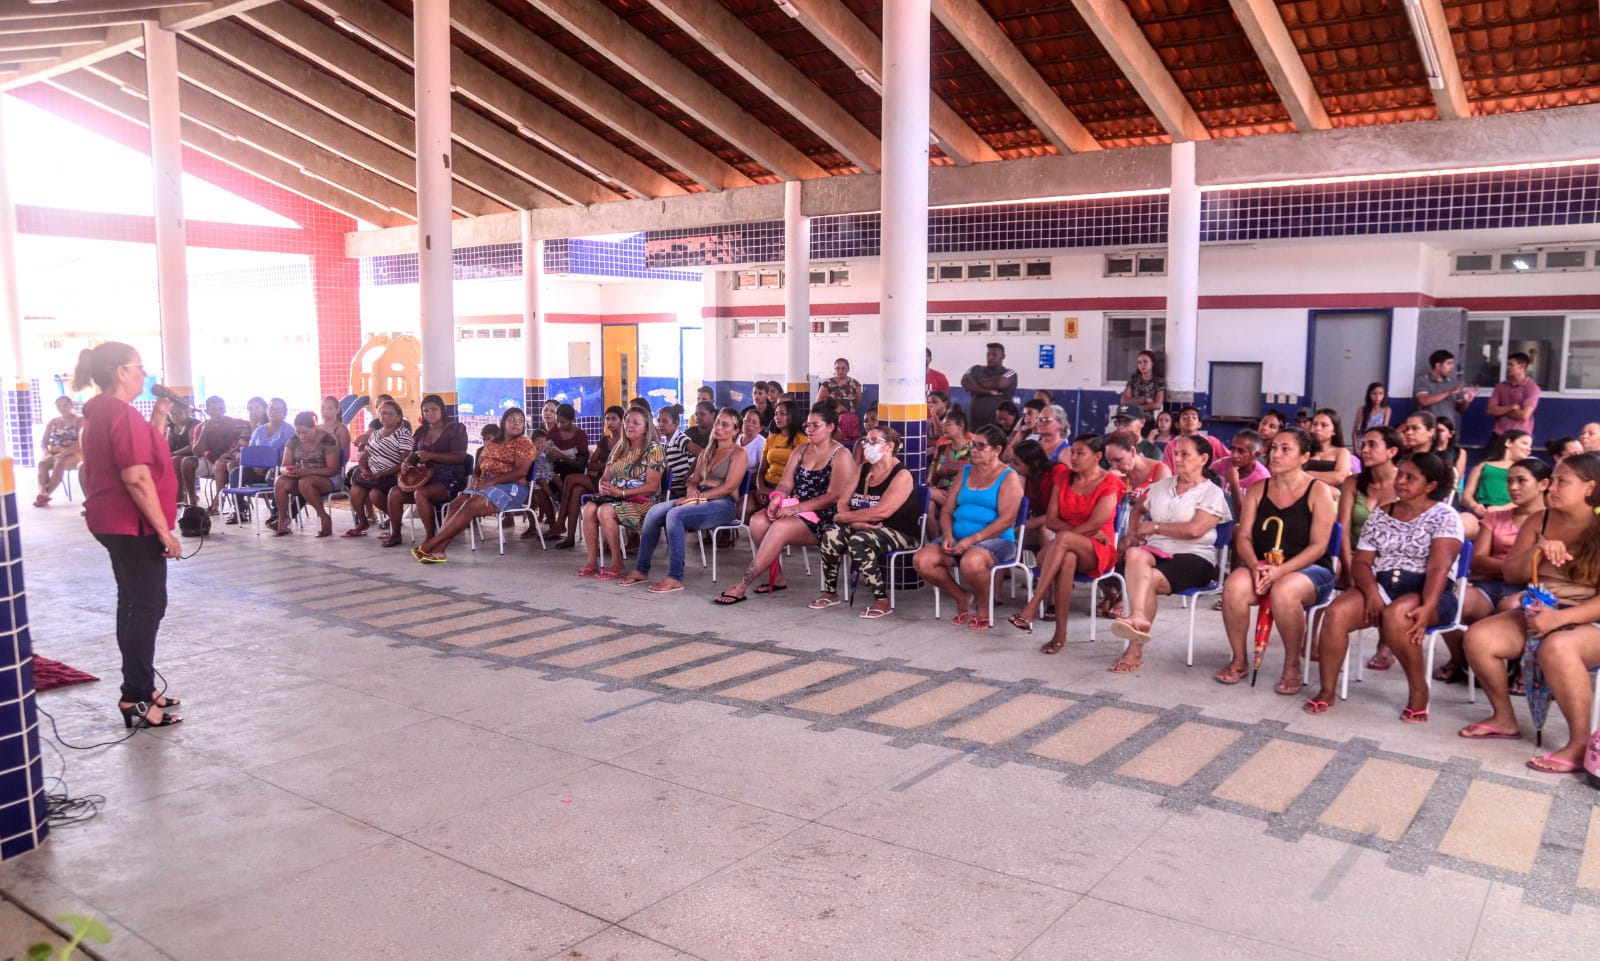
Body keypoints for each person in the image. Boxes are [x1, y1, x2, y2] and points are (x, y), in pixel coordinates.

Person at [1458, 453, 1600, 773]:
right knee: (1480, 638)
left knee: (1557, 647)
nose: (1553, 487)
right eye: (1554, 480)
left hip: (1589, 620)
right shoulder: (1542, 520)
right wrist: (1537, 549)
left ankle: (1579, 744)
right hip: (1541, 611)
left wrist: (1560, 619)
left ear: (1589, 488)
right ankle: (1504, 719)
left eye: (1564, 481)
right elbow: (1511, 574)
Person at [72, 342, 183, 729]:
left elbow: (144, 457)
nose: (143, 373)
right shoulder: (117, 413)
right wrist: (163, 530)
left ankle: (142, 685)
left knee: (137, 603)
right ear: (120, 371)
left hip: (116, 522)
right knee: (146, 607)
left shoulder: (108, 412)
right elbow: (136, 478)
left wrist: (160, 415)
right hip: (130, 524)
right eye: (138, 366)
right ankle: (134, 696)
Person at [1304, 452, 1464, 719]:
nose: (1400, 481)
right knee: (1336, 613)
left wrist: (1429, 607)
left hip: (1430, 592)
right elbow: (1362, 563)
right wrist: (1372, 593)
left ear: (1431, 485)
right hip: (1382, 584)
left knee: (1397, 615)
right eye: (1400, 474)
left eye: (1410, 477)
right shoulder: (1380, 515)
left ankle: (1418, 691)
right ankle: (1327, 690)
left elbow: (1439, 567)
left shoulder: (1445, 516)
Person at [1216, 428, 1337, 692]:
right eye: (1275, 448)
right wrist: (1257, 565)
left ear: (1304, 457)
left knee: (1284, 591)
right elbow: (1244, 536)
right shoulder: (1259, 489)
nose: (1276, 454)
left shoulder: (1319, 492)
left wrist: (1279, 572)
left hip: (1308, 568)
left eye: (1285, 449)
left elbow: (1318, 547)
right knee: (1233, 587)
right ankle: (1239, 659)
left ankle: (1292, 664)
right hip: (1262, 563)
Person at [1109, 434, 1233, 672]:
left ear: (1204, 459)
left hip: (1194, 558)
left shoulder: (1212, 493)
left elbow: (1195, 529)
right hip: (1156, 551)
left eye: (1185, 454)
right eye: (1176, 453)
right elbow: (1138, 508)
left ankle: (1134, 650)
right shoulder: (1163, 485)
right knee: (1134, 555)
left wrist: (1155, 527)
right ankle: (1137, 616)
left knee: (1148, 582)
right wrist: (1134, 533)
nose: (1177, 458)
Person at [716, 405, 851, 603]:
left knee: (779, 527)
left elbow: (832, 496)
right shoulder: (801, 450)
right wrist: (777, 498)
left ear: (830, 427)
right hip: (794, 507)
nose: (810, 430)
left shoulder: (841, 455)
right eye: (808, 425)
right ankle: (776, 577)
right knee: (757, 521)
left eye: (816, 425)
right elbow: (786, 483)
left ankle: (743, 584)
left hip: (824, 515)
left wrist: (795, 509)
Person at [1437, 458, 1554, 682]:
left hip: (1531, 589)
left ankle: (1520, 668)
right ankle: (1462, 662)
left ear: (1543, 484)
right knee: (1450, 602)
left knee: (1511, 606)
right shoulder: (1496, 517)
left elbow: (1547, 569)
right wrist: (1514, 567)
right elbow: (1477, 561)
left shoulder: (1553, 520)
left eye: (1521, 481)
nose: (1513, 487)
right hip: (1487, 587)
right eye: (1509, 481)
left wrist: (1502, 567)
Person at [1009, 434, 1124, 653]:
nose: (1074, 457)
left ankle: (1032, 607)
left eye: (1081, 453)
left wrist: (1062, 539)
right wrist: (1065, 540)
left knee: (1063, 541)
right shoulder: (1063, 478)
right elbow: (1051, 520)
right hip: (1068, 547)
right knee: (1067, 558)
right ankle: (1059, 636)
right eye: (1072, 452)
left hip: (1098, 548)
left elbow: (1095, 524)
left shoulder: (1110, 482)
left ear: (1098, 456)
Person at [617, 408, 747, 592]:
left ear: (736, 431)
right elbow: (693, 481)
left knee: (675, 515)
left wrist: (697, 498)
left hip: (723, 504)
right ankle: (641, 570)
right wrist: (692, 490)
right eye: (717, 422)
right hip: (699, 498)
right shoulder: (706, 452)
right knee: (655, 512)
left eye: (725, 424)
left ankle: (675, 577)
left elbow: (728, 487)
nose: (718, 427)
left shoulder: (738, 454)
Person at [912, 424, 1025, 630]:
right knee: (922, 560)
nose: (974, 450)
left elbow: (1007, 519)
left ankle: (983, 608)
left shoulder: (1008, 477)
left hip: (997, 540)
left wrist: (971, 541)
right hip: (957, 538)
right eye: (973, 445)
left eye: (980, 446)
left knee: (971, 562)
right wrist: (947, 535)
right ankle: (962, 597)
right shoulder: (965, 472)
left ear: (997, 450)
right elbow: (946, 510)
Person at [810, 426, 921, 619]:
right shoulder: (862, 469)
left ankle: (882, 600)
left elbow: (882, 512)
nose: (866, 446)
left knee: (859, 542)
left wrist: (845, 518)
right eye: (865, 441)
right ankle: (830, 592)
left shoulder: (901, 475)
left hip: (898, 530)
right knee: (831, 534)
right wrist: (852, 522)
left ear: (889, 446)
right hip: (861, 525)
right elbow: (843, 501)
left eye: (873, 441)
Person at [412, 407, 537, 563]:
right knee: (455, 505)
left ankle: (431, 544)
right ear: (503, 422)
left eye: (520, 421)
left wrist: (491, 481)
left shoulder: (524, 443)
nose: (516, 424)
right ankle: (439, 551)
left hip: (512, 487)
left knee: (470, 505)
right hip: (487, 482)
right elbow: (480, 464)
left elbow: (521, 472)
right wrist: (476, 476)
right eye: (511, 420)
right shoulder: (493, 442)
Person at [1338, 426, 1402, 669]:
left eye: (1372, 444)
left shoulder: (1405, 484)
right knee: (1330, 574)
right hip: (1353, 553)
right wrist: (1349, 564)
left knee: (1391, 579)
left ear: (1392, 451)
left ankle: (1387, 641)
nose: (1364, 450)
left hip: (1389, 558)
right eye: (1363, 444)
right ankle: (1319, 636)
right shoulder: (1353, 483)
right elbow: (1342, 529)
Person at [577, 408, 666, 579]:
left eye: (635, 422)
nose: (629, 425)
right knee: (588, 509)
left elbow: (653, 487)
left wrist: (622, 492)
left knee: (605, 510)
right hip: (615, 498)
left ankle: (617, 563)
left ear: (646, 428)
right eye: (627, 421)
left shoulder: (654, 449)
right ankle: (591, 562)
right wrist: (603, 486)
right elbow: (605, 477)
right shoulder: (619, 448)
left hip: (643, 502)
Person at [378, 393, 470, 547]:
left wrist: (431, 455)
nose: (429, 413)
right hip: (423, 477)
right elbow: (414, 456)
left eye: (433, 409)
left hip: (449, 478)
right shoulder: (421, 431)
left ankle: (430, 537)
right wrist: (407, 463)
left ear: (442, 410)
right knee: (394, 492)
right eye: (426, 411)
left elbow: (460, 457)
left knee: (421, 494)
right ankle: (395, 534)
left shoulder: (455, 429)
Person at [551, 406, 623, 549]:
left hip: (615, 484)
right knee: (576, 490)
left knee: (571, 479)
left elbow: (620, 467)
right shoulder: (605, 440)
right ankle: (570, 537)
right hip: (600, 481)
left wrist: (604, 466)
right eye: (607, 419)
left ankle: (560, 523)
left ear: (622, 421)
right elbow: (590, 465)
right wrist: (608, 465)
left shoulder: (626, 441)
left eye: (614, 419)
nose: (610, 422)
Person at [268, 412, 341, 537]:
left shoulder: (327, 440)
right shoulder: (293, 441)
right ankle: (282, 518)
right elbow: (283, 467)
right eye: (298, 432)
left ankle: (324, 517)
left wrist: (308, 471)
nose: (302, 436)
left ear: (314, 428)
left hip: (327, 478)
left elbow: (333, 469)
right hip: (301, 476)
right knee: (280, 481)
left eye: (305, 432)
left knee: (305, 482)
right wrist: (288, 471)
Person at [346, 399, 413, 536]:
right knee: (355, 490)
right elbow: (364, 457)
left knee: (374, 494)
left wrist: (383, 473)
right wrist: (364, 469)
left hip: (392, 476)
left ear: (398, 416)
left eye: (389, 413)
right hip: (372, 474)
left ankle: (395, 522)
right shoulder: (376, 434)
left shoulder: (403, 434)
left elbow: (404, 462)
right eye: (382, 413)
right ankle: (363, 522)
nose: (385, 416)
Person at [1462, 429, 1534, 518]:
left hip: (1509, 514)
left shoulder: (1525, 471)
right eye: (1524, 443)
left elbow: (1526, 499)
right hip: (1481, 512)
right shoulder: (1483, 465)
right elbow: (1467, 494)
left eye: (1530, 446)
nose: (1528, 449)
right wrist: (1474, 506)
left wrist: (1502, 508)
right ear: (1508, 442)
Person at [34, 395, 83, 508]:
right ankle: (42, 492)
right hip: (54, 451)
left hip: (74, 452)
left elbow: (80, 441)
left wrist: (64, 454)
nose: (62, 408)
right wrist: (46, 453)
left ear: (71, 405)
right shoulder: (53, 422)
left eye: (65, 405)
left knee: (59, 464)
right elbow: (44, 442)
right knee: (43, 463)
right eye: (59, 405)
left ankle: (45, 495)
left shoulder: (79, 420)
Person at [928, 408, 972, 534]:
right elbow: (932, 473)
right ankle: (936, 543)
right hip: (940, 493)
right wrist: (930, 482)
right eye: (943, 425)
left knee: (926, 493)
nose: (943, 427)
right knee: (928, 505)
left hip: (962, 494)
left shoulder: (973, 450)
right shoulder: (942, 449)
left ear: (960, 426)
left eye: (948, 425)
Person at [960, 342, 1018, 430]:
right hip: (974, 425)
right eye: (988, 354)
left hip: (996, 427)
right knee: (970, 444)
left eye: (994, 355)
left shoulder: (1010, 373)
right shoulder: (976, 369)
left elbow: (999, 382)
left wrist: (975, 384)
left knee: (993, 444)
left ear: (1003, 356)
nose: (990, 357)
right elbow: (964, 381)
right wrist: (988, 391)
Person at [1486, 350, 1540, 440]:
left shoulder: (1532, 388)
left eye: (1511, 365)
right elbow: (1490, 410)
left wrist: (1501, 411)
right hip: (1499, 433)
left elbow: (1524, 415)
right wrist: (1511, 407)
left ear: (1522, 366)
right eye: (1508, 364)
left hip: (1520, 436)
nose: (1507, 368)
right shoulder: (1501, 386)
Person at [1413, 349, 1476, 421]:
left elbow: (1460, 410)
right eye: (1449, 363)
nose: (1452, 367)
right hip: (1428, 427)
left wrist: (1467, 401)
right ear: (1438, 366)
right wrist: (1449, 392)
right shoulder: (1423, 380)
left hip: (1448, 428)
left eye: (1452, 364)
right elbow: (1424, 401)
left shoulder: (1454, 383)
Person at [544, 403, 590, 488]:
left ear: (572, 420)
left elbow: (581, 465)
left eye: (563, 422)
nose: (559, 425)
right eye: (557, 421)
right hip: (555, 472)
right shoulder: (552, 433)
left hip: (574, 473)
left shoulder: (580, 436)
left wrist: (562, 457)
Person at [1305, 409, 1353, 488]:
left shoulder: (1342, 452)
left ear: (1334, 431)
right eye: (1315, 424)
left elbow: (1339, 477)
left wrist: (1307, 474)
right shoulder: (1303, 449)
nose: (1317, 428)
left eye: (1324, 425)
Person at [1227, 428, 1270, 513]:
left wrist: (1234, 484)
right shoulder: (1220, 465)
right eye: (1233, 449)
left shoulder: (1263, 480)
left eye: (1241, 451)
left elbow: (1243, 517)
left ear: (1256, 454)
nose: (1234, 455)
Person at [658, 405, 693, 499]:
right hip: (671, 490)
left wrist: (689, 474)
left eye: (665, 421)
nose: (660, 424)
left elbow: (701, 454)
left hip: (681, 491)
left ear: (676, 423)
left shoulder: (680, 439)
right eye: (659, 421)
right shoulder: (666, 444)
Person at [1122, 349, 1165, 419]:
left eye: (1145, 362)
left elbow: (1157, 405)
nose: (1142, 365)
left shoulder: (1159, 381)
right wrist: (1144, 400)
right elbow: (1124, 400)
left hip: (1150, 420)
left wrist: (1136, 408)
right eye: (1139, 362)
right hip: (1133, 420)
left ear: (1152, 363)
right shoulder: (1133, 379)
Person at [319, 395, 353, 468]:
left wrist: (335, 446)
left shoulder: (342, 429)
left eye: (330, 408)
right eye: (323, 407)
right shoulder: (317, 428)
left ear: (337, 410)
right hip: (317, 466)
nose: (325, 411)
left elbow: (346, 457)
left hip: (334, 469)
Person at [1434, 416, 1467, 487]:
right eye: (1436, 431)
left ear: (1450, 434)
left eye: (1441, 431)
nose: (1438, 434)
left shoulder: (1459, 452)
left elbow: (1457, 477)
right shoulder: (1429, 450)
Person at [738, 406, 766, 474]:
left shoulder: (762, 443)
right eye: (747, 420)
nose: (749, 424)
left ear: (761, 428)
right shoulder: (736, 437)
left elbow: (762, 471)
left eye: (754, 422)